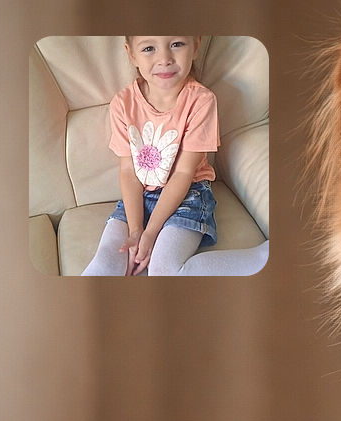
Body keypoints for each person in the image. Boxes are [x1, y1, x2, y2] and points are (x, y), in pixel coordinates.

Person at [82, 35, 268, 277]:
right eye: (149, 48)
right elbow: (128, 171)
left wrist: (150, 234)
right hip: (139, 196)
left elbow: (183, 173)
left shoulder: (201, 101)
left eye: (177, 44)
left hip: (188, 194)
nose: (165, 59)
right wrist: (137, 230)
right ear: (131, 54)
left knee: (164, 269)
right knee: (108, 262)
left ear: (196, 46)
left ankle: (264, 257)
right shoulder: (122, 103)